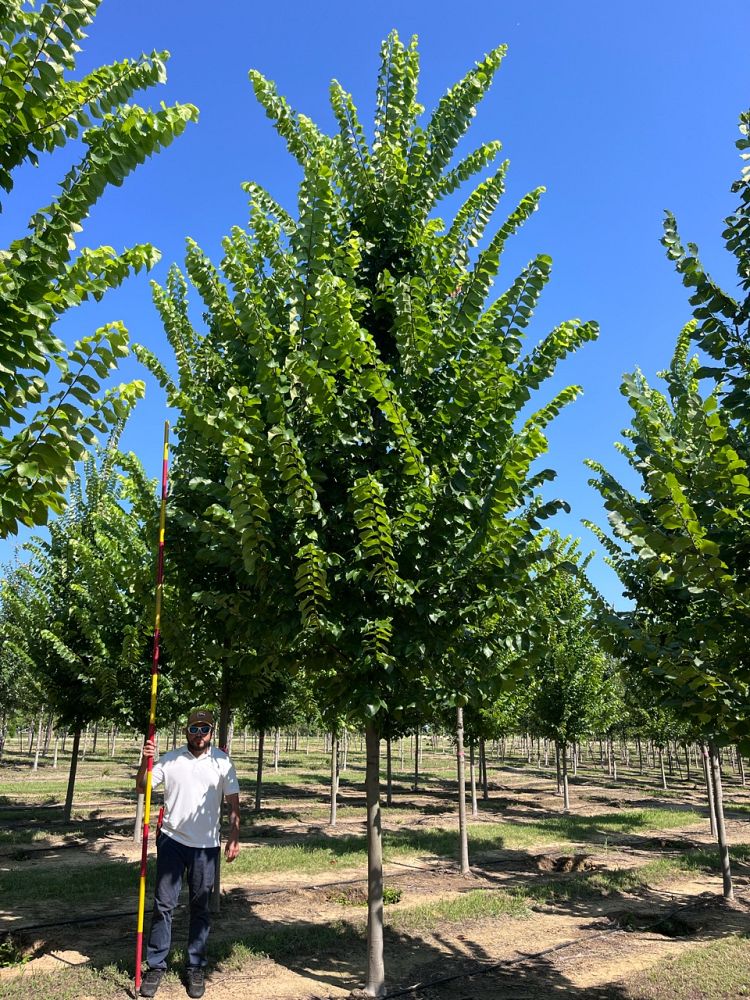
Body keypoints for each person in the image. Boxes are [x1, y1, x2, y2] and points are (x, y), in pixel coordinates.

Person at [135, 709, 240, 998]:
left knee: (200, 907)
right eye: (194, 729)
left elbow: (233, 802)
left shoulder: (222, 761)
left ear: (212, 732)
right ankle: (156, 965)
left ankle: (195, 966)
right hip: (172, 841)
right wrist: (145, 761)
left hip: (206, 846)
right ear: (186, 731)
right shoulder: (170, 760)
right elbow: (142, 787)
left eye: (204, 729)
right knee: (163, 905)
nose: (199, 734)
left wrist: (234, 836)